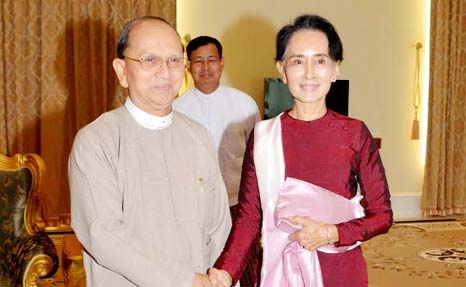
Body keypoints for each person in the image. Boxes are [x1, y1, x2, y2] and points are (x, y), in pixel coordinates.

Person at [209, 14, 393, 287]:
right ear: (282, 70)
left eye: (320, 60)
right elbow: (249, 218)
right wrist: (225, 271)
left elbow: (382, 215)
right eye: (297, 61)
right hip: (281, 268)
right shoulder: (263, 136)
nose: (309, 72)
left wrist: (331, 233)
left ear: (335, 69)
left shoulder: (354, 133)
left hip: (340, 270)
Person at [68, 16, 231, 287]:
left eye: (174, 60)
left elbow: (219, 227)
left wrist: (222, 276)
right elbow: (103, 234)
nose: (164, 72)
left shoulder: (198, 136)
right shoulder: (96, 141)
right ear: (121, 71)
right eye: (150, 60)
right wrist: (185, 280)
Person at [173, 36, 260, 208]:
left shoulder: (245, 104)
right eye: (198, 61)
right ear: (188, 66)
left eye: (211, 60)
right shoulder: (176, 109)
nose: (205, 67)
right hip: (192, 202)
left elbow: (258, 154)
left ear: (221, 63)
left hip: (237, 202)